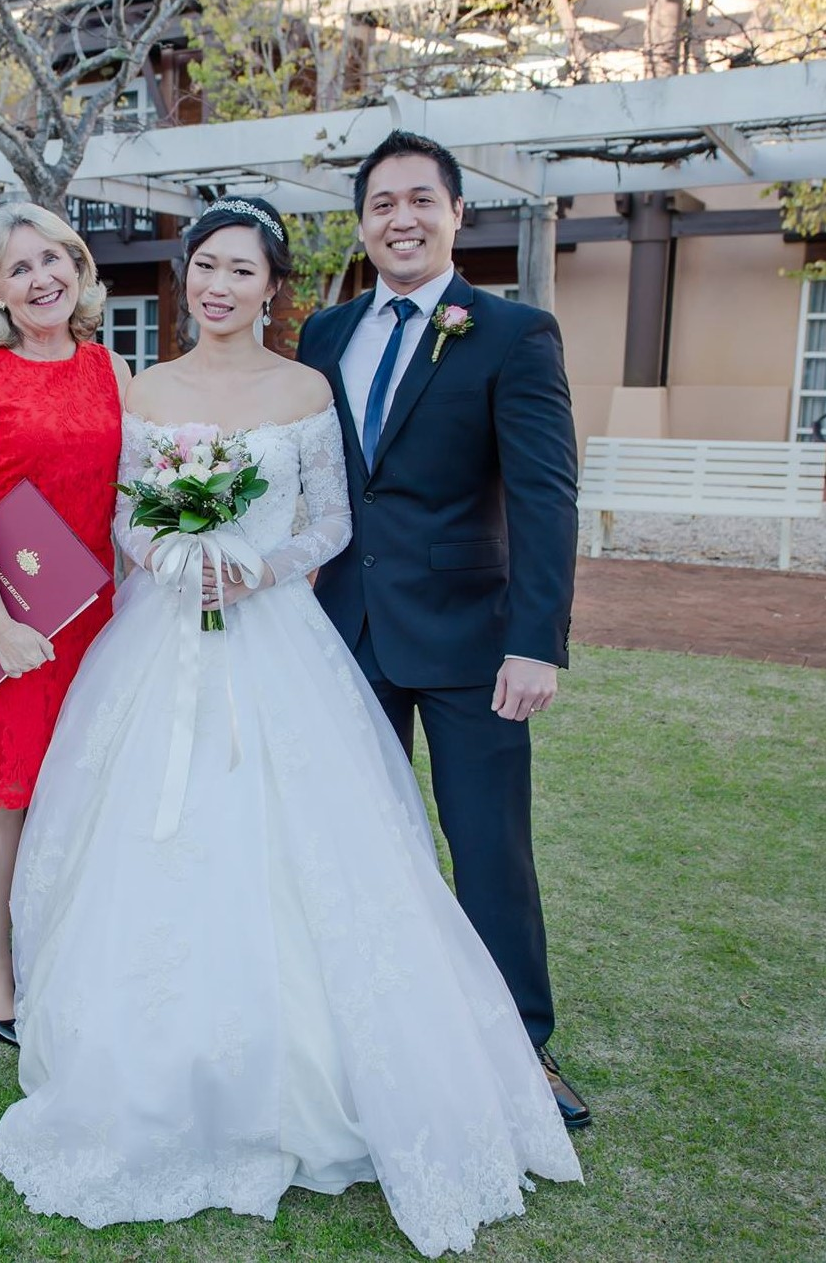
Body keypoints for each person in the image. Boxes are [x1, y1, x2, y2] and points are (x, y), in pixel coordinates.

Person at [0, 196, 582, 1257]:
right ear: (185, 277)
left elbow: (331, 518)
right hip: (159, 634)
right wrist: (170, 551)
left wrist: (257, 566)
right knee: (153, 833)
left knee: (312, 840)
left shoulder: (307, 386)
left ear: (273, 288)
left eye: (242, 271)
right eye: (205, 266)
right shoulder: (144, 386)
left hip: (277, 636)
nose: (219, 286)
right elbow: (122, 507)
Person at [297, 130, 588, 1127]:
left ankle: (522, 1051)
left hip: (474, 642)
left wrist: (536, 640)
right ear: (362, 223)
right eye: (382, 203)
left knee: (488, 849)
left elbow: (545, 497)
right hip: (347, 634)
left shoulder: (513, 333)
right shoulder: (324, 336)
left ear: (457, 213)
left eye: (421, 199)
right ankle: (372, 1034)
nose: (402, 219)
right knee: (358, 843)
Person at [0, 202, 130, 1046]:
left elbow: (130, 496)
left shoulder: (111, 367)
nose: (41, 279)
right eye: (19, 268)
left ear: (77, 267)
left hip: (92, 618)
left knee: (81, 788)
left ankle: (66, 940)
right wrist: (1, 626)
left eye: (52, 259)